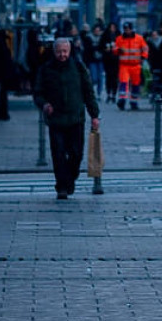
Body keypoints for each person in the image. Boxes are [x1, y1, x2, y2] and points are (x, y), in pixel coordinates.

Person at [33, 38, 100, 200]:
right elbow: (38, 93)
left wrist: (94, 115)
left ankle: (70, 178)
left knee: (76, 153)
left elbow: (88, 92)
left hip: (75, 118)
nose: (62, 55)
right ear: (54, 51)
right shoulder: (46, 69)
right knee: (58, 153)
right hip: (56, 119)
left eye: (65, 52)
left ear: (69, 51)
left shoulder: (78, 67)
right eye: (59, 52)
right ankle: (61, 186)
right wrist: (44, 104)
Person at [113, 21, 150, 111]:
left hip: (135, 65)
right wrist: (118, 50)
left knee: (135, 84)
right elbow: (114, 49)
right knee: (123, 82)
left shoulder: (139, 38)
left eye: (128, 29)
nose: (127, 31)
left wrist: (143, 57)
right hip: (124, 65)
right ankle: (122, 100)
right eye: (125, 29)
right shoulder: (119, 39)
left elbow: (145, 48)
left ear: (131, 29)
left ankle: (134, 102)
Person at [98, 24, 120, 102]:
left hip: (116, 59)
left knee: (115, 77)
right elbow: (100, 46)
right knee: (108, 77)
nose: (112, 29)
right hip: (107, 59)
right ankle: (108, 94)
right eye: (111, 27)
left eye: (114, 27)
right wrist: (104, 49)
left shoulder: (118, 35)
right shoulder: (104, 36)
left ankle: (114, 94)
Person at [81, 24, 104, 99]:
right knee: (94, 77)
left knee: (100, 77)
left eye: (98, 30)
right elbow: (87, 49)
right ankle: (93, 90)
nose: (97, 32)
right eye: (96, 30)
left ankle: (99, 93)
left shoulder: (102, 38)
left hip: (100, 60)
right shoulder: (89, 38)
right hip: (92, 60)